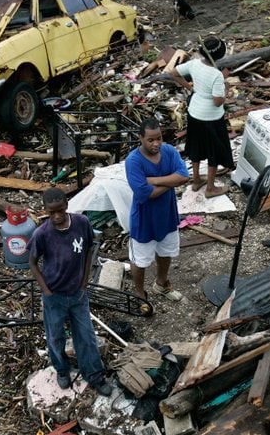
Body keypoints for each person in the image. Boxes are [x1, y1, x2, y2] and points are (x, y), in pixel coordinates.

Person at [28, 187, 112, 397]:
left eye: (60, 211)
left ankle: (94, 375)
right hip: (54, 295)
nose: (56, 216)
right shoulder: (42, 234)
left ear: (67, 205)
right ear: (45, 211)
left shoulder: (81, 223)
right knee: (55, 336)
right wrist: (45, 290)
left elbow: (90, 248)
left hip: (77, 293)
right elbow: (32, 262)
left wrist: (84, 282)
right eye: (51, 213)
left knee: (85, 335)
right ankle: (62, 369)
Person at [125, 118, 190, 301]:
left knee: (166, 251)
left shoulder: (168, 151)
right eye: (150, 140)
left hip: (167, 215)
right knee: (140, 260)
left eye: (159, 138)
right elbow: (144, 193)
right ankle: (139, 294)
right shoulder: (133, 161)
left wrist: (153, 180)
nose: (156, 144)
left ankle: (161, 285)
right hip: (144, 220)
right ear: (140, 138)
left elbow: (184, 176)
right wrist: (172, 181)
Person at [170, 36, 235, 198]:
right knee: (213, 151)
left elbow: (173, 72)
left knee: (196, 146)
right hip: (211, 118)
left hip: (194, 113)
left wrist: (190, 87)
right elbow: (218, 102)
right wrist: (227, 90)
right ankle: (211, 188)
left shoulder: (194, 64)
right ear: (220, 55)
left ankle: (196, 180)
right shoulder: (217, 75)